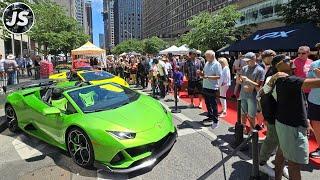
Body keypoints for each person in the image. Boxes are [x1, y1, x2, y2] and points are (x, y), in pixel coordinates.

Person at [264, 54, 320, 180]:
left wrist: (306, 119)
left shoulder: (283, 79)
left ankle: (277, 177)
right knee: (294, 164)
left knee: (282, 153)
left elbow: (298, 102)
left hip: (285, 122)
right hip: (291, 126)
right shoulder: (288, 80)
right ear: (279, 66)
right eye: (287, 60)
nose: (292, 60)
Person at [237, 52, 264, 134]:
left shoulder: (260, 70)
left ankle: (252, 130)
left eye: (248, 60)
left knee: (251, 115)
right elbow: (240, 80)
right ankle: (244, 127)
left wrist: (248, 80)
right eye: (246, 61)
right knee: (243, 113)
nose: (246, 62)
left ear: (254, 59)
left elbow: (259, 85)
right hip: (243, 94)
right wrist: (239, 79)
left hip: (252, 96)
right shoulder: (244, 68)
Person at [202, 50, 222, 128]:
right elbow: (204, 72)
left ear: (212, 56)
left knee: (214, 105)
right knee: (207, 103)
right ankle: (210, 117)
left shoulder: (217, 64)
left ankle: (215, 121)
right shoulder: (207, 63)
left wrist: (208, 77)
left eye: (207, 56)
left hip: (212, 87)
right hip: (205, 86)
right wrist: (201, 73)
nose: (206, 58)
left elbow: (219, 76)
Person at [307, 59, 320, 158]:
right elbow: (309, 81)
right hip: (315, 100)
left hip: (314, 100)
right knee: (316, 126)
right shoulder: (314, 64)